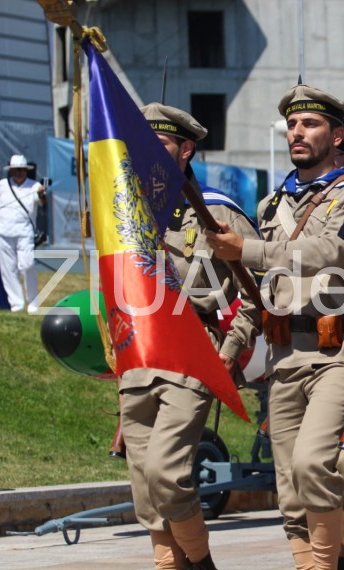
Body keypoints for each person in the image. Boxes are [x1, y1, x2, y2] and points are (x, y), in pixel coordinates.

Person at [205, 83, 344, 570]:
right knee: (289, 485)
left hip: (334, 354)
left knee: (312, 464)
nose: (298, 133)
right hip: (283, 359)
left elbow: (331, 253)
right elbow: (258, 293)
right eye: (293, 125)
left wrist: (247, 249)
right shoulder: (270, 206)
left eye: (311, 124)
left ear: (338, 135)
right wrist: (229, 348)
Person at [120, 103, 260, 570]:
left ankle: (200, 563)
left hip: (192, 353)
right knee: (143, 481)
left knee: (166, 472)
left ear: (186, 150)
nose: (148, 154)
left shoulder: (216, 211)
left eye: (158, 144)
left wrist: (228, 353)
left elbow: (259, 293)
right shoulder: (128, 214)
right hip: (138, 356)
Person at [0, 154, 46, 314]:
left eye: (22, 170)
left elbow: (42, 200)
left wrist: (41, 194)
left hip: (24, 232)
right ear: (11, 171)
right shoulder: (3, 184)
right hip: (3, 232)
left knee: (27, 265)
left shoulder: (34, 186)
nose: (19, 173)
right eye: (16, 170)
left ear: (26, 171)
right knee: (8, 270)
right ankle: (16, 304)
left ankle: (33, 303)